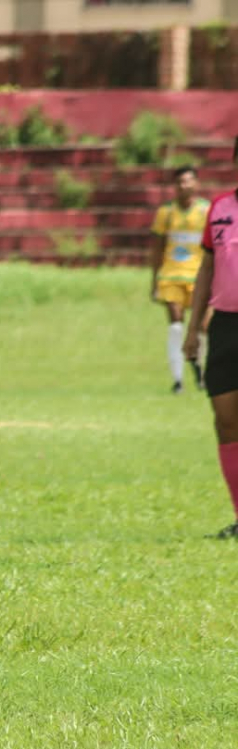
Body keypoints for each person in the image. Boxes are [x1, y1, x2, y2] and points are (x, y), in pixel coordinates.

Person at [184, 155, 238, 539]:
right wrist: (193, 330)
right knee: (225, 420)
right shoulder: (220, 207)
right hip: (225, 326)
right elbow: (206, 269)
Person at [150, 166, 210, 393]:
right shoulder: (166, 212)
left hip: (199, 276)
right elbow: (157, 248)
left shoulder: (206, 210)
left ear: (196, 184)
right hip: (171, 275)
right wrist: (154, 280)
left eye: (188, 181)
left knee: (202, 327)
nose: (184, 186)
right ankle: (178, 381)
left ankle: (199, 370)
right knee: (176, 325)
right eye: (180, 182)